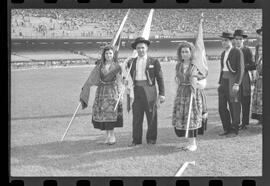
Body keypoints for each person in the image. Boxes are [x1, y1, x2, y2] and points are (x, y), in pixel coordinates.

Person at [126, 37, 165, 146]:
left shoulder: (154, 61)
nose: (141, 50)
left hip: (150, 91)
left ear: (147, 48)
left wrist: (162, 94)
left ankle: (151, 139)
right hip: (136, 91)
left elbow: (160, 78)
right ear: (136, 50)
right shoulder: (131, 62)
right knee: (137, 117)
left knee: (151, 116)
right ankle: (136, 140)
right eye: (138, 48)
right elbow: (128, 76)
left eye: (143, 47)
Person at [172, 41, 207, 152]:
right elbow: (177, 80)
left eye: (187, 51)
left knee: (191, 118)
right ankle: (189, 142)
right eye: (182, 52)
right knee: (183, 118)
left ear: (191, 53)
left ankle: (193, 143)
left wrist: (196, 83)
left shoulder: (195, 66)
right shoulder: (179, 66)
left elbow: (203, 81)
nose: (184, 54)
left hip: (193, 94)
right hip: (182, 94)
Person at [91, 45, 123, 145]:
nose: (108, 55)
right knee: (104, 114)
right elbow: (95, 78)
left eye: (110, 53)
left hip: (112, 91)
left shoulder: (117, 66)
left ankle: (112, 135)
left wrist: (120, 93)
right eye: (106, 53)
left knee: (111, 113)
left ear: (113, 55)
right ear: (103, 55)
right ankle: (107, 136)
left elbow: (119, 81)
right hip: (102, 91)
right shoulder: (100, 66)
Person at [218, 32, 244, 137]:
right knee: (221, 107)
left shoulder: (237, 52)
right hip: (223, 82)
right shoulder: (223, 53)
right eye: (222, 40)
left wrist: (237, 83)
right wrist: (220, 82)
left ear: (231, 41)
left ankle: (235, 128)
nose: (223, 42)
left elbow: (241, 69)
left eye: (226, 40)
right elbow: (222, 69)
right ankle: (226, 128)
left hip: (233, 81)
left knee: (234, 106)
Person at [233, 29, 256, 129]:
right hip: (234, 78)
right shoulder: (232, 50)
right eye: (236, 39)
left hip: (245, 78)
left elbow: (253, 65)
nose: (238, 41)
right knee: (235, 100)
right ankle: (236, 122)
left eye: (240, 39)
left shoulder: (247, 50)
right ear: (234, 39)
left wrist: (243, 67)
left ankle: (245, 123)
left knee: (245, 100)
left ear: (243, 40)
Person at [251, 44, 263, 124]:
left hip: (262, 82)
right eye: (259, 50)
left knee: (262, 100)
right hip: (258, 82)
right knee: (257, 100)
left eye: (262, 50)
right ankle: (259, 118)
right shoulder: (258, 59)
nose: (261, 52)